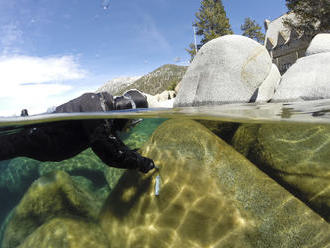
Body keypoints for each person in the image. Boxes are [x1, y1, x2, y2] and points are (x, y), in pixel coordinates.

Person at [0, 89, 155, 173]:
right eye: (133, 120)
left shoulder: (100, 110)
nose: (131, 126)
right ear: (126, 107)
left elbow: (111, 141)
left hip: (38, 141)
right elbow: (111, 153)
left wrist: (130, 154)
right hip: (34, 139)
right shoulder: (96, 110)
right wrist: (141, 162)